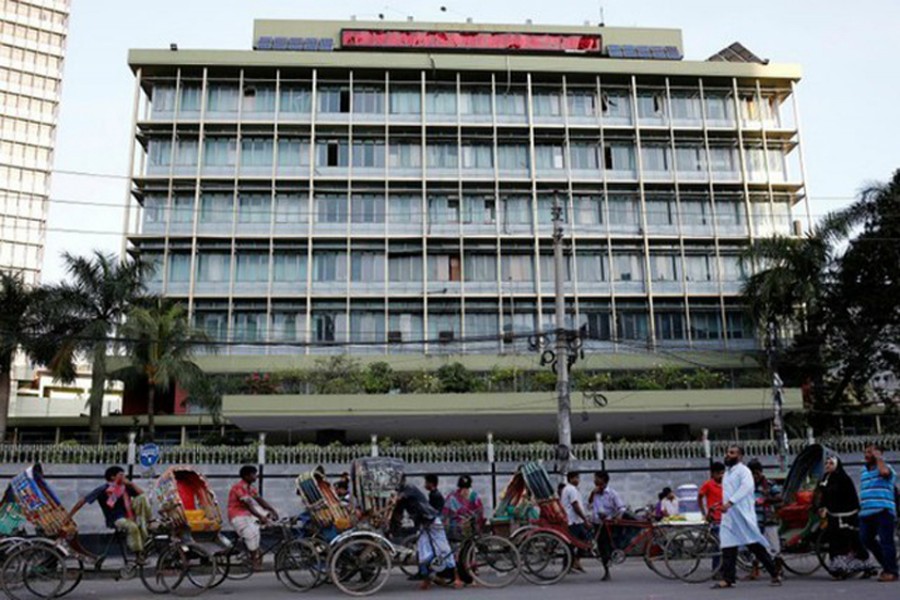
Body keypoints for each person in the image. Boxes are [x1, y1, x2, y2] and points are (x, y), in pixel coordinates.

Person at [712, 445, 782, 589]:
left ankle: (775, 573)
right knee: (727, 546)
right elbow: (728, 492)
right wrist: (721, 503)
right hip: (730, 516)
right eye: (727, 452)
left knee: (754, 545)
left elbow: (746, 488)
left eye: (732, 453)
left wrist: (730, 503)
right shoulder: (728, 473)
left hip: (742, 515)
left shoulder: (744, 471)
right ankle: (728, 579)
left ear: (740, 456)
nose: (728, 455)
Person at [391, 474, 462, 589]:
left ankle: (457, 578)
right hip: (423, 524)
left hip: (432, 521)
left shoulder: (410, 489)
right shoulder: (403, 493)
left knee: (443, 549)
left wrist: (393, 499)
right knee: (423, 551)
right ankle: (426, 580)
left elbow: (398, 499)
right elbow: (398, 509)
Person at [69, 466, 151, 555]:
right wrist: (69, 516)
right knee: (132, 527)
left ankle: (146, 539)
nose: (124, 477)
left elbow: (142, 496)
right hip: (115, 519)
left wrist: (131, 484)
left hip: (130, 516)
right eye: (121, 475)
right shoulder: (104, 489)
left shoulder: (125, 487)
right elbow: (83, 501)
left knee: (142, 516)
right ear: (112, 477)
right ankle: (138, 554)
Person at [816, 455, 872, 579]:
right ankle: (838, 569)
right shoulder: (825, 478)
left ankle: (864, 565)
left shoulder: (843, 478)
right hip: (833, 516)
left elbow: (846, 496)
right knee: (835, 542)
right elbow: (823, 496)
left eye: (831, 463)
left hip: (847, 515)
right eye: (826, 464)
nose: (827, 466)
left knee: (852, 541)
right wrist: (822, 507)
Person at [858, 443, 898, 582]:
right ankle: (887, 565)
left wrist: (879, 458)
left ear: (879, 453)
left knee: (886, 541)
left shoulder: (887, 469)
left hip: (883, 510)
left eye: (870, 452)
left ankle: (891, 571)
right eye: (866, 452)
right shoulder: (863, 471)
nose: (866, 455)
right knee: (866, 539)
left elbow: (884, 473)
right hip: (866, 512)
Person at [228, 465, 279, 569]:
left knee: (260, 528)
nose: (256, 476)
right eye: (254, 474)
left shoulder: (251, 488)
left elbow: (260, 500)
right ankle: (253, 560)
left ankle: (255, 552)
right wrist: (260, 516)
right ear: (246, 476)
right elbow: (248, 505)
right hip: (238, 515)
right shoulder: (238, 487)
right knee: (251, 534)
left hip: (248, 514)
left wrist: (272, 510)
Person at [747, 460, 782, 579]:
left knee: (774, 546)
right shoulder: (747, 485)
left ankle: (778, 569)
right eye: (751, 474)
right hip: (754, 519)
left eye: (756, 473)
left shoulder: (769, 484)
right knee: (755, 546)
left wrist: (766, 500)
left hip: (769, 518)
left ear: (760, 472)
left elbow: (779, 498)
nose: (754, 476)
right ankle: (755, 570)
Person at [589, 471, 625, 581]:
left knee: (606, 547)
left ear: (603, 480)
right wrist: (592, 493)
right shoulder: (594, 493)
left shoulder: (612, 493)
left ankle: (607, 570)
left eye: (596, 478)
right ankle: (606, 568)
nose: (594, 480)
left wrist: (618, 517)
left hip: (608, 524)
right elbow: (589, 504)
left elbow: (621, 507)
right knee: (600, 547)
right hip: (597, 523)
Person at [560, 471, 590, 573]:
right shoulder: (571, 489)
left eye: (578, 478)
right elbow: (575, 505)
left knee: (577, 542)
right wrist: (585, 519)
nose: (578, 480)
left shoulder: (568, 489)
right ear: (570, 479)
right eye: (576, 478)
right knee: (579, 542)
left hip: (575, 520)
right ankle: (571, 564)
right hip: (573, 521)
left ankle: (573, 563)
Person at [699, 463, 726, 572]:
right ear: (713, 474)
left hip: (726, 518)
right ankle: (716, 570)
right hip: (714, 518)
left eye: (722, 473)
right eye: (718, 473)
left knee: (727, 546)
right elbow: (700, 497)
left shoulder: (726, 484)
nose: (721, 475)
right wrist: (704, 512)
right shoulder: (708, 485)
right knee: (717, 546)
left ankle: (726, 570)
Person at [443, 475, 485, 542]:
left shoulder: (474, 496)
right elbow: (445, 513)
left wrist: (471, 519)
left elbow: (479, 511)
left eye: (467, 488)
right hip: (455, 528)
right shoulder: (452, 497)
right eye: (462, 488)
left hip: (470, 527)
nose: (465, 490)